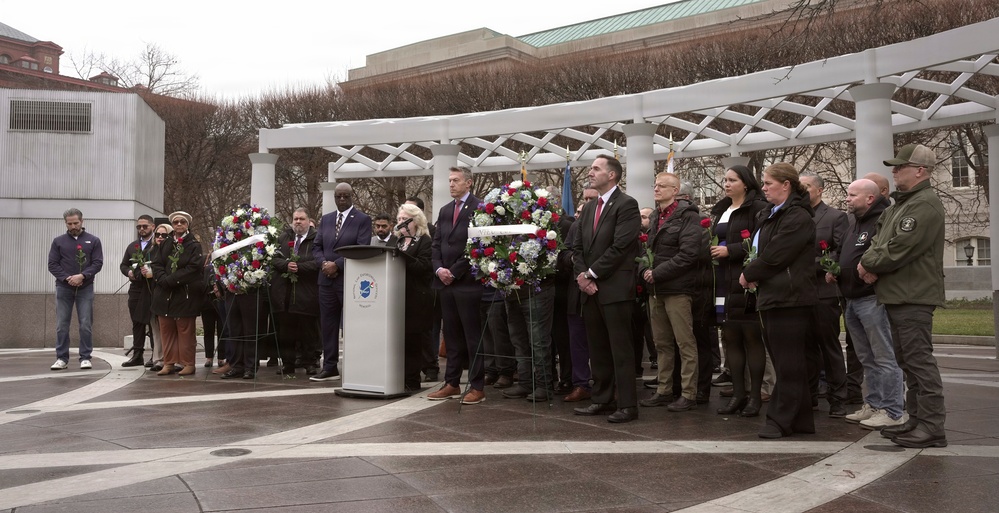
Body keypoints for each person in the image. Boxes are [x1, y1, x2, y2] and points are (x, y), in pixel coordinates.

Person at [859, 143, 948, 448]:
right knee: (908, 362)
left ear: (920, 170)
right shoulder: (900, 204)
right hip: (899, 294)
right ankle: (918, 420)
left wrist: (868, 264)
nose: (894, 171)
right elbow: (877, 241)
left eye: (900, 167)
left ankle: (932, 427)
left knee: (919, 362)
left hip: (914, 295)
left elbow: (899, 248)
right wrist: (868, 261)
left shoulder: (924, 204)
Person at [741, 163, 817, 439]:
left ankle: (780, 420)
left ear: (786, 185)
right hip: (775, 295)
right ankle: (801, 420)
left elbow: (777, 253)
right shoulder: (772, 214)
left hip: (790, 297)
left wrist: (749, 273)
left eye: (768, 183)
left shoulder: (797, 216)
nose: (763, 188)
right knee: (788, 360)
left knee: (788, 362)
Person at [571, 154, 642, 423]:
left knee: (620, 349)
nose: (590, 172)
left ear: (612, 175)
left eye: (596, 169)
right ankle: (601, 399)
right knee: (597, 348)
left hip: (614, 289)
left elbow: (621, 246)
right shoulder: (589, 207)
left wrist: (591, 273)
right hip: (589, 290)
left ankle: (627, 405)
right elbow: (578, 247)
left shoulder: (627, 205)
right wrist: (582, 275)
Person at [832, 179, 906, 430]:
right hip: (851, 298)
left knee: (884, 355)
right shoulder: (853, 221)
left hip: (872, 298)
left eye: (853, 195)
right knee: (866, 357)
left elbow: (889, 251)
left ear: (870, 198)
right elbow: (841, 249)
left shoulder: (883, 219)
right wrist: (833, 266)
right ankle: (873, 404)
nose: (847, 199)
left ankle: (893, 410)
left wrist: (873, 269)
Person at [638, 172, 703, 412]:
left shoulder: (688, 217)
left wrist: (658, 272)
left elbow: (688, 254)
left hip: (677, 289)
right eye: (655, 185)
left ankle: (688, 393)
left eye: (662, 186)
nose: (656, 189)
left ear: (675, 190)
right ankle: (664, 390)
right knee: (662, 343)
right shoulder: (655, 216)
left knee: (685, 343)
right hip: (655, 289)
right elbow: (647, 248)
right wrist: (645, 268)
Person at [710, 165, 771, 417]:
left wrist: (731, 250)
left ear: (746, 183)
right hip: (723, 279)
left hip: (746, 280)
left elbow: (761, 240)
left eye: (732, 180)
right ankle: (737, 394)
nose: (726, 184)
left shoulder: (758, 207)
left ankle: (754, 397)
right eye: (724, 180)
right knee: (730, 338)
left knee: (752, 339)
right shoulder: (722, 210)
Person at [428, 167, 486, 405]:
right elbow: (436, 244)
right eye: (449, 180)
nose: (451, 184)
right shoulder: (444, 210)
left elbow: (478, 245)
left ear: (468, 183)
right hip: (446, 284)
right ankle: (452, 383)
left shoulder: (481, 208)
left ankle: (477, 386)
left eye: (456, 180)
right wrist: (439, 269)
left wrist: (455, 270)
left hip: (468, 283)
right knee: (451, 337)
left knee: (472, 338)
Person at [799, 171, 849, 417]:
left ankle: (838, 398)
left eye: (807, 186)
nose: (802, 190)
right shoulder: (795, 215)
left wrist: (808, 264)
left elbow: (839, 252)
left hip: (823, 290)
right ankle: (809, 397)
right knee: (806, 347)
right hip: (799, 292)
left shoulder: (836, 217)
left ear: (819, 190)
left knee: (828, 347)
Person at [311, 183, 372, 382]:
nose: (343, 200)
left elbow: (361, 247)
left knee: (353, 325)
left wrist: (337, 265)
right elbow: (317, 246)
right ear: (335, 198)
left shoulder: (362, 220)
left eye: (346, 196)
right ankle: (329, 367)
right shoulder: (327, 219)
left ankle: (357, 366)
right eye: (339, 196)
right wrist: (323, 264)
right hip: (326, 281)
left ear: (352, 197)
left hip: (349, 279)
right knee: (328, 325)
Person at [47, 208, 104, 370]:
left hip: (85, 287)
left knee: (85, 323)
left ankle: (85, 357)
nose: (73, 226)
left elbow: (97, 263)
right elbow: (52, 264)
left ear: (82, 221)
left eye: (76, 223)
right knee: (61, 324)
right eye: (69, 223)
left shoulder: (93, 240)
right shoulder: (58, 241)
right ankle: (62, 358)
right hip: (64, 287)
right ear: (65, 223)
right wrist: (67, 278)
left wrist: (83, 276)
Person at [150, 211, 204, 377]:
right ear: (172, 225)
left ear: (187, 224)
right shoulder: (165, 243)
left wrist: (171, 280)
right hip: (164, 293)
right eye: (176, 222)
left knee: (185, 330)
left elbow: (193, 268)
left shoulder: (194, 245)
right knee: (166, 329)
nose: (179, 225)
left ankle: (188, 363)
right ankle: (169, 362)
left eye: (182, 222)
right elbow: (157, 263)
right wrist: (163, 279)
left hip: (184, 293)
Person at [559, 186, 598, 402]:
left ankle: (605, 384)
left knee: (603, 343)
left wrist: (591, 274)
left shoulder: (611, 221)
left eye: (592, 198)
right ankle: (580, 384)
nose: (587, 203)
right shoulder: (576, 225)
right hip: (576, 295)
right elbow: (564, 253)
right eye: (584, 199)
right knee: (577, 343)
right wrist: (574, 261)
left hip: (600, 291)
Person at [272, 208, 321, 376]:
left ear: (308, 221)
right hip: (285, 294)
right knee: (286, 332)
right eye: (295, 219)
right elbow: (274, 258)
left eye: (301, 219)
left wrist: (299, 267)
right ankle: (288, 364)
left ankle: (309, 363)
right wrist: (286, 265)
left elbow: (318, 262)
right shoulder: (284, 237)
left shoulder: (316, 238)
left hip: (307, 293)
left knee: (308, 331)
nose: (298, 222)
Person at [395, 203, 434, 392]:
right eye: (399, 219)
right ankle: (396, 377)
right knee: (398, 341)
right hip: (396, 299)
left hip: (416, 300)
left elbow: (423, 267)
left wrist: (402, 257)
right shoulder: (396, 243)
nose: (401, 223)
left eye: (405, 219)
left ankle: (412, 379)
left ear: (415, 221)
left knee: (412, 342)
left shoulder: (425, 241)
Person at [406, 196, 440, 382]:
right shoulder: (399, 238)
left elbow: (426, 262)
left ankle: (430, 366)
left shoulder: (429, 234)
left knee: (426, 331)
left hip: (424, 289)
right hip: (405, 292)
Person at [120, 215, 156, 367]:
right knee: (136, 322)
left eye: (145, 226)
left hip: (151, 288)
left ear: (152, 226)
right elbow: (123, 265)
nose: (141, 229)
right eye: (139, 227)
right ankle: (137, 354)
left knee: (153, 322)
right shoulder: (133, 246)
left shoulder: (157, 244)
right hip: (135, 289)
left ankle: (156, 355)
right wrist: (128, 272)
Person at [146, 224, 171, 372]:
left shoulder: (172, 250)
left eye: (164, 235)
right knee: (155, 328)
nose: (160, 237)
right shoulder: (150, 250)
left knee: (168, 329)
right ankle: (158, 358)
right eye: (158, 235)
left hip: (168, 291)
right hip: (151, 292)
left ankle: (171, 359)